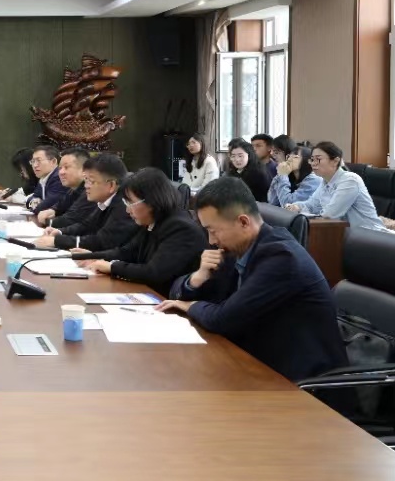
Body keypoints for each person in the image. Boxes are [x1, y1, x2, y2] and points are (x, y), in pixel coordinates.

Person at [157, 177, 347, 382]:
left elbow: (222, 319)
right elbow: (178, 293)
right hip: (255, 361)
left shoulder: (282, 259)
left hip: (301, 383)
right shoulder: (235, 249)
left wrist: (192, 305)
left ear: (243, 222)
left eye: (213, 231)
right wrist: (197, 278)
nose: (211, 240)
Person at [72, 167, 206, 297]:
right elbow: (127, 252)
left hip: (168, 301)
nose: (127, 210)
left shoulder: (180, 228)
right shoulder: (152, 221)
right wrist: (92, 256)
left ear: (152, 201)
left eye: (130, 203)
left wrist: (112, 267)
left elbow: (154, 272)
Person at [35, 154, 139, 251]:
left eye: (91, 181)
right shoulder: (105, 198)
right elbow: (86, 225)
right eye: (86, 180)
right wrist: (60, 232)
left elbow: (103, 241)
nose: (86, 186)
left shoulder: (125, 203)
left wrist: (58, 241)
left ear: (111, 185)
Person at [286, 141, 393, 233]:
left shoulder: (350, 180)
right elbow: (311, 205)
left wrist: (308, 212)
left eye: (318, 159)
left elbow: (330, 215)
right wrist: (296, 206)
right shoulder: (325, 182)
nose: (313, 164)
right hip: (346, 236)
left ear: (335, 161)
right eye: (312, 159)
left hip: (372, 236)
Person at [35, 148, 93, 227]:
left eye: (66, 167)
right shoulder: (73, 189)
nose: (61, 172)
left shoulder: (90, 191)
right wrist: (52, 210)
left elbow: (70, 219)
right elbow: (60, 205)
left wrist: (49, 222)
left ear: (84, 170)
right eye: (60, 168)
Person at [27, 146, 68, 214]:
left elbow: (44, 207)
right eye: (33, 161)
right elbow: (32, 198)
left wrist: (35, 205)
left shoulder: (58, 177)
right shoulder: (44, 178)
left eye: (39, 160)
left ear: (53, 161)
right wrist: (34, 202)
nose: (35, 165)